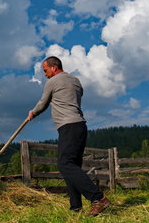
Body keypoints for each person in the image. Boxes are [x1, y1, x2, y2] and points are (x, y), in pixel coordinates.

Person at [28, 56, 110, 217]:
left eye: (45, 71)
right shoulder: (75, 81)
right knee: (72, 167)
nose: (44, 74)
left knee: (65, 164)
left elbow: (43, 103)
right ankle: (75, 208)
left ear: (53, 67)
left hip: (68, 127)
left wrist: (33, 113)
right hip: (80, 126)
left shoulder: (52, 81)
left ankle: (98, 198)